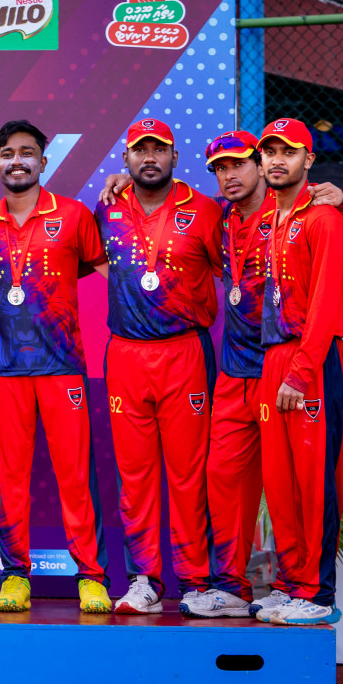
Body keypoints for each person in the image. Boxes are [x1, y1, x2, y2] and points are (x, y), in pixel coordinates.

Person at [102, 133, 343, 617]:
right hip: (233, 369)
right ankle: (231, 586)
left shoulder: (296, 214)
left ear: (260, 167)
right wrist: (122, 184)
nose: (231, 175)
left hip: (283, 367)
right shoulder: (221, 218)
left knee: (295, 484)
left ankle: (305, 590)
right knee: (222, 479)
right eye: (221, 168)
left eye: (241, 164)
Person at [0, 120, 111, 614]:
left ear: (43, 162)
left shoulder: (73, 216)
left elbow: (107, 272)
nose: (17, 161)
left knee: (75, 475)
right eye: (7, 153)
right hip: (4, 369)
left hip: (63, 365)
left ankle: (92, 576)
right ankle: (14, 575)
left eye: (27, 152)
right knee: (9, 477)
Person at [93, 118, 223, 616]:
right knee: (136, 475)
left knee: (189, 473)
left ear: (174, 157)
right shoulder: (106, 208)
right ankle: (144, 579)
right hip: (125, 353)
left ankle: (195, 582)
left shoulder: (205, 211)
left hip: (185, 352)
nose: (149, 158)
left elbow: (233, 272)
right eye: (139, 151)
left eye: (159, 150)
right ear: (125, 160)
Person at [256, 118, 343, 625]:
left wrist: (300, 371)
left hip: (309, 360)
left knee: (314, 481)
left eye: (288, 152)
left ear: (308, 161)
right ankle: (293, 584)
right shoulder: (275, 216)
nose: (277, 160)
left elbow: (325, 305)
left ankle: (316, 594)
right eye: (269, 151)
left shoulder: (323, 215)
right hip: (277, 356)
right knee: (281, 481)